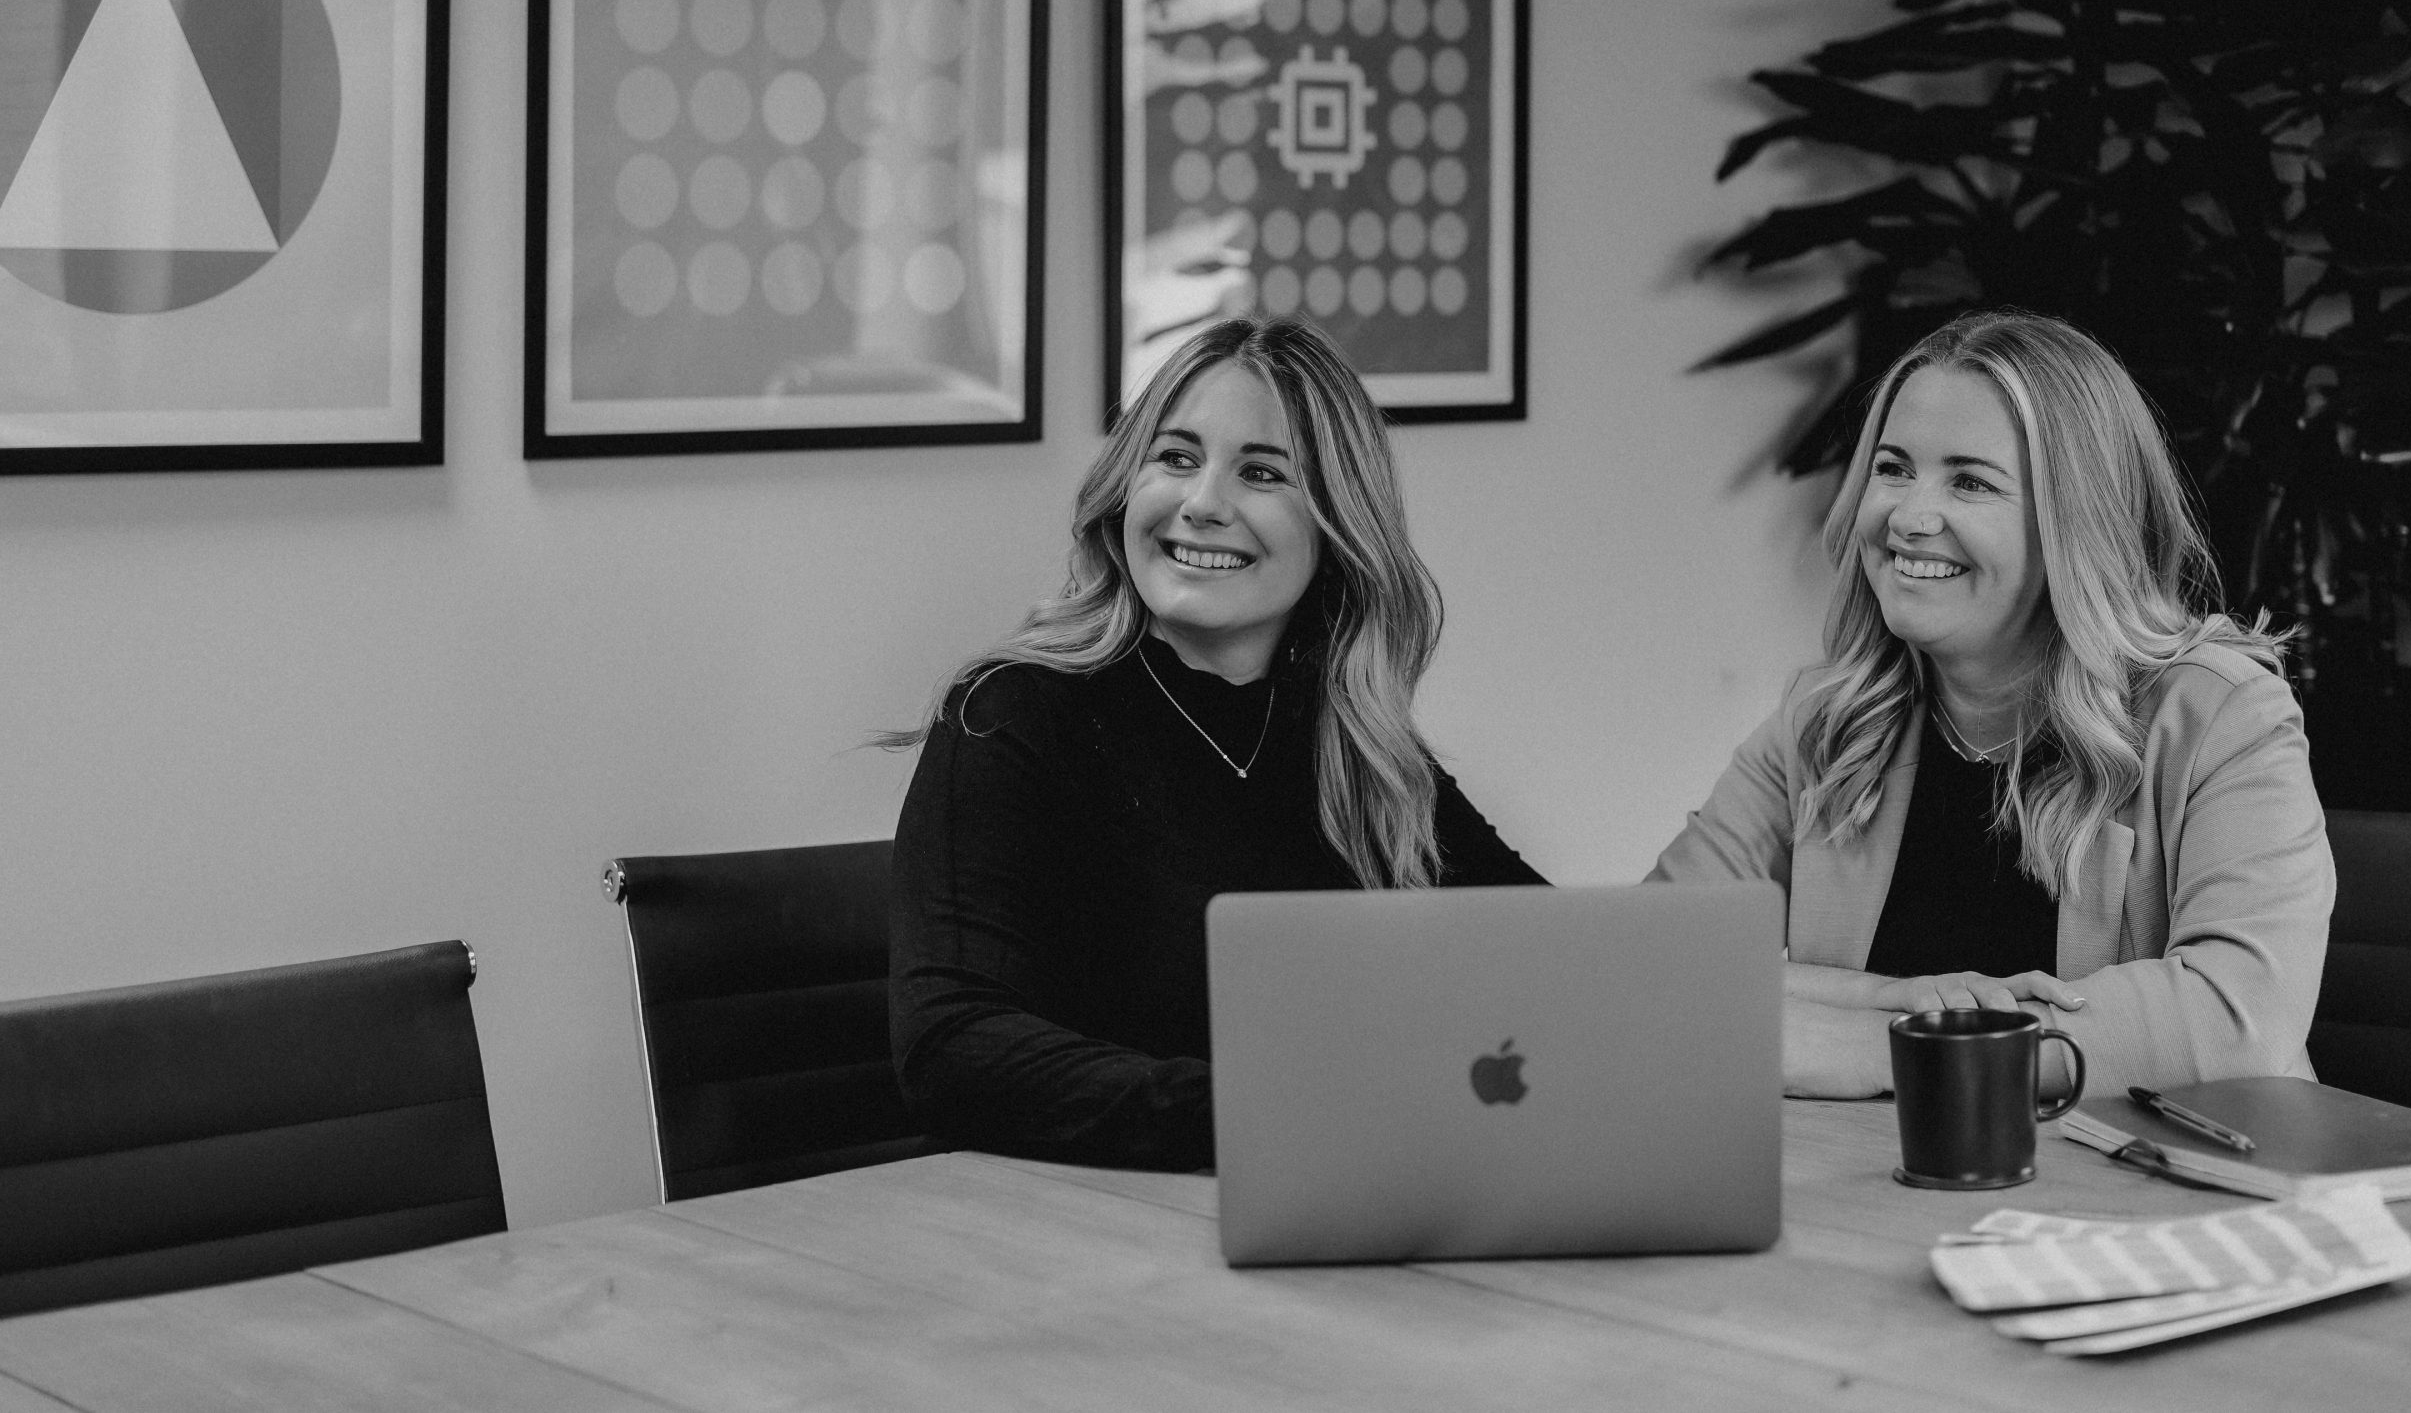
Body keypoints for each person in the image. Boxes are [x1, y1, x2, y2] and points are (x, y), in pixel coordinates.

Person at [886, 317, 1543, 1170]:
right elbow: (953, 1045)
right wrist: (1267, 1113)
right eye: (1177, 457)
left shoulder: (1355, 743)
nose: (1202, 504)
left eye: (1262, 472)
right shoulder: (1009, 714)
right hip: (1078, 1227)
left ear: (1339, 529)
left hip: (1323, 1204)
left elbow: (1546, 955)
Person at [1652, 310, 2332, 1100]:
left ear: (2076, 521)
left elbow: (2234, 1013)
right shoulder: (1828, 721)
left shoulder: (2218, 715)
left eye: (1970, 481)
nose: (1907, 515)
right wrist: (1885, 1005)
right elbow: (1652, 961)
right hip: (1886, 1194)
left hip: (2163, 1198)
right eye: (1893, 467)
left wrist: (1899, 1052)